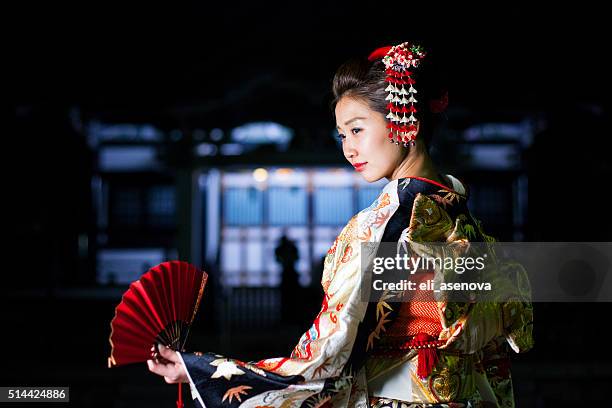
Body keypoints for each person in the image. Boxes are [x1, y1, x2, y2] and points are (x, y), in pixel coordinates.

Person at [147, 41, 534, 407]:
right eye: (342, 135)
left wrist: (203, 372)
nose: (348, 147)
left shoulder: (388, 224)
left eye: (357, 129)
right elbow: (492, 358)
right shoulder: (460, 214)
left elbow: (327, 356)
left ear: (403, 121)